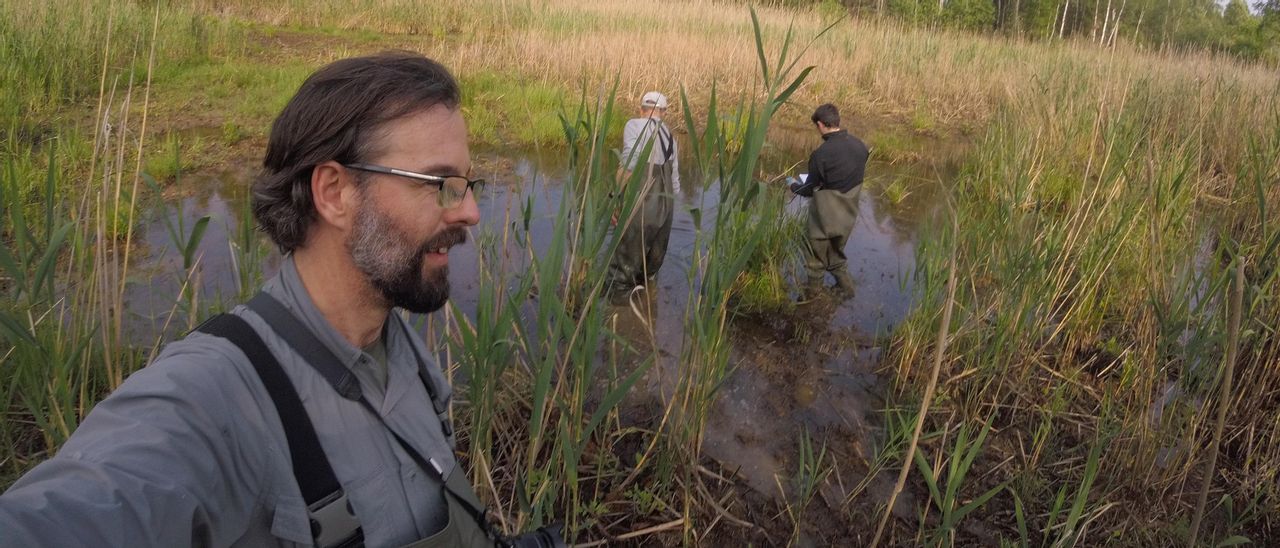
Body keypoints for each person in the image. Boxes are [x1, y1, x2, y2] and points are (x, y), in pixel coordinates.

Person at [0, 52, 561, 548]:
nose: (469, 213)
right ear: (335, 193)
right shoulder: (211, 399)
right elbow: (73, 513)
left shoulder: (401, 346)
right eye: (438, 183)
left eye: (467, 185)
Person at [789, 103, 869, 299]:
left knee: (814, 255)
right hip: (848, 213)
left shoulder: (820, 155)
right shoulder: (861, 146)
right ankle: (847, 290)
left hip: (826, 214)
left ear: (820, 125)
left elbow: (810, 190)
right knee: (836, 255)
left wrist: (792, 185)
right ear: (837, 121)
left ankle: (813, 296)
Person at [605, 91, 679, 303]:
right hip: (666, 205)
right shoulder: (671, 137)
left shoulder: (634, 125)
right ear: (663, 112)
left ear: (641, 109)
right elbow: (675, 182)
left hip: (643, 199)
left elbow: (629, 162)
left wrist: (615, 198)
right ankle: (648, 305)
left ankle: (620, 315)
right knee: (650, 264)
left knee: (624, 262)